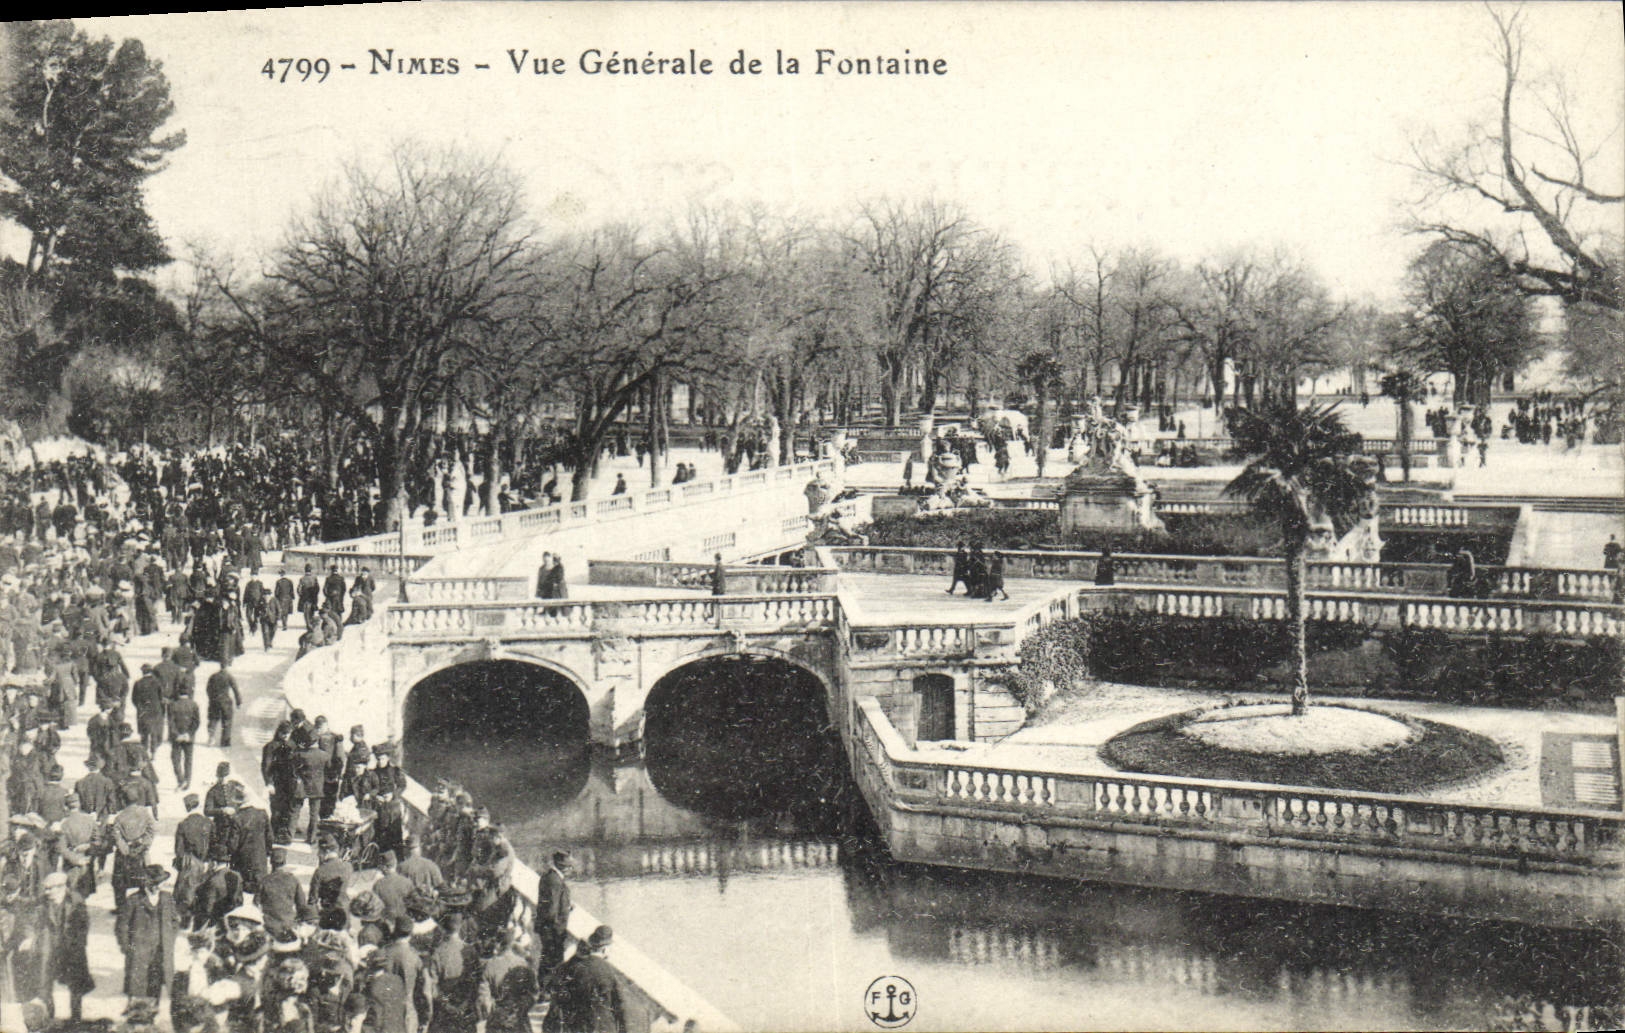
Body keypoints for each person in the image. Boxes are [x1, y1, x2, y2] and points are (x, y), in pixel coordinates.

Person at [32, 870, 95, 1022]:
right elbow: (33, 922)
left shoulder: (76, 901)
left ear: (61, 887)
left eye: (50, 889)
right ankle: (49, 1015)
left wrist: (78, 944)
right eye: (46, 889)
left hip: (71, 948)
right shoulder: (42, 902)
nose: (47, 892)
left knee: (76, 984)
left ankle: (76, 1017)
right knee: (44, 982)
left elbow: (83, 925)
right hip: (49, 947)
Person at [115, 863, 179, 1005]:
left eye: (161, 883)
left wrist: (169, 938)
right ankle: (136, 1010)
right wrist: (127, 947)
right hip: (139, 951)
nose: (159, 887)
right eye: (156, 884)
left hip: (160, 950)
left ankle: (153, 1009)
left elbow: (174, 921)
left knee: (156, 983)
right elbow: (122, 925)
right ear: (147, 883)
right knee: (138, 986)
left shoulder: (167, 898)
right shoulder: (134, 900)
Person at [545, 925, 626, 1033]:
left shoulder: (575, 966)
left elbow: (555, 990)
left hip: (576, 1026)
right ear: (605, 949)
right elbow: (620, 1005)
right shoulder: (608, 972)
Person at [479, 926, 539, 1032]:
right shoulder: (523, 963)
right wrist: (521, 1009)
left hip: (497, 1022)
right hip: (519, 1020)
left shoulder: (490, 965)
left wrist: (493, 1012)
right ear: (512, 943)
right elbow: (534, 992)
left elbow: (484, 998)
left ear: (497, 944)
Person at [535, 850, 573, 987]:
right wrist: (558, 929)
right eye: (568, 866)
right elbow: (551, 910)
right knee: (553, 963)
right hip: (553, 931)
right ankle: (548, 990)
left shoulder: (548, 877)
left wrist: (566, 906)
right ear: (562, 866)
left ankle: (544, 988)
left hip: (547, 928)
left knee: (547, 961)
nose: (570, 869)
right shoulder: (555, 881)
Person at [168, 684, 200, 790]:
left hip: (176, 738)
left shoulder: (173, 705)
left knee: (175, 759)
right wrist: (189, 734)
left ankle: (180, 780)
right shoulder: (194, 704)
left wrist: (177, 734)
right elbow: (196, 722)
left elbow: (171, 722)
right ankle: (187, 782)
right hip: (189, 738)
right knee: (188, 760)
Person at [173, 793, 212, 877]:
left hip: (189, 865)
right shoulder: (209, 823)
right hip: (207, 864)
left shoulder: (183, 824)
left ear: (187, 808)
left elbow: (179, 850)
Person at [205, 661, 242, 748]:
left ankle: (211, 737)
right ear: (227, 666)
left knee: (213, 719)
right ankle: (225, 742)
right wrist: (238, 702)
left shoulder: (213, 676)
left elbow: (208, 688)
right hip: (225, 702)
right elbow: (235, 689)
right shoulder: (229, 676)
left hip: (214, 701)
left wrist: (211, 698)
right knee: (227, 721)